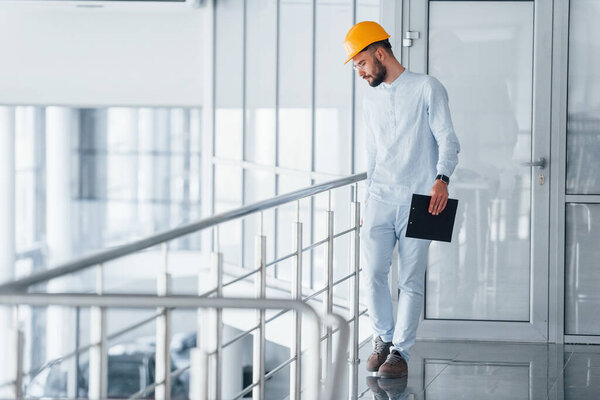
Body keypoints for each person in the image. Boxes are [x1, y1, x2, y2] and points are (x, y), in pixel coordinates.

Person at [343, 21, 460, 378]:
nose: (360, 72)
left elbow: (448, 139)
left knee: (410, 280)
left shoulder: (427, 88)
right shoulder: (370, 99)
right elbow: (372, 155)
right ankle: (382, 337)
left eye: (361, 63)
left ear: (380, 53)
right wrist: (366, 202)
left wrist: (441, 179)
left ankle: (400, 353)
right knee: (373, 274)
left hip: (420, 200)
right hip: (379, 198)